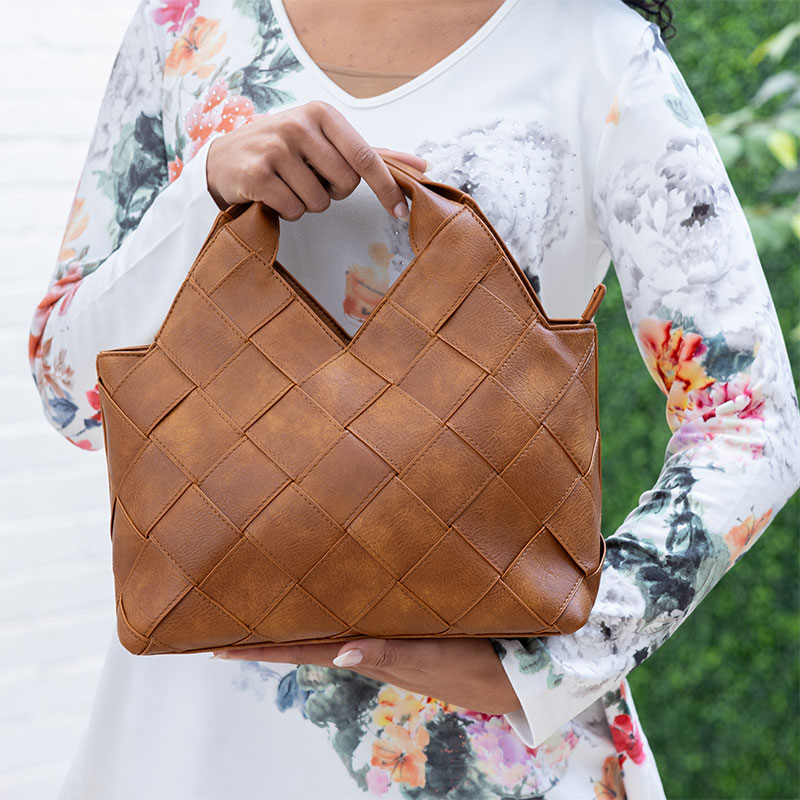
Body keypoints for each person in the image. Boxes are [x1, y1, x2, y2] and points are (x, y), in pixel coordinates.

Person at [27, 0, 800, 798]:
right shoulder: (183, 31)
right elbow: (71, 395)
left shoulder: (597, 51)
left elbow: (751, 420)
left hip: (481, 752)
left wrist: (560, 661)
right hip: (192, 745)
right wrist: (203, 196)